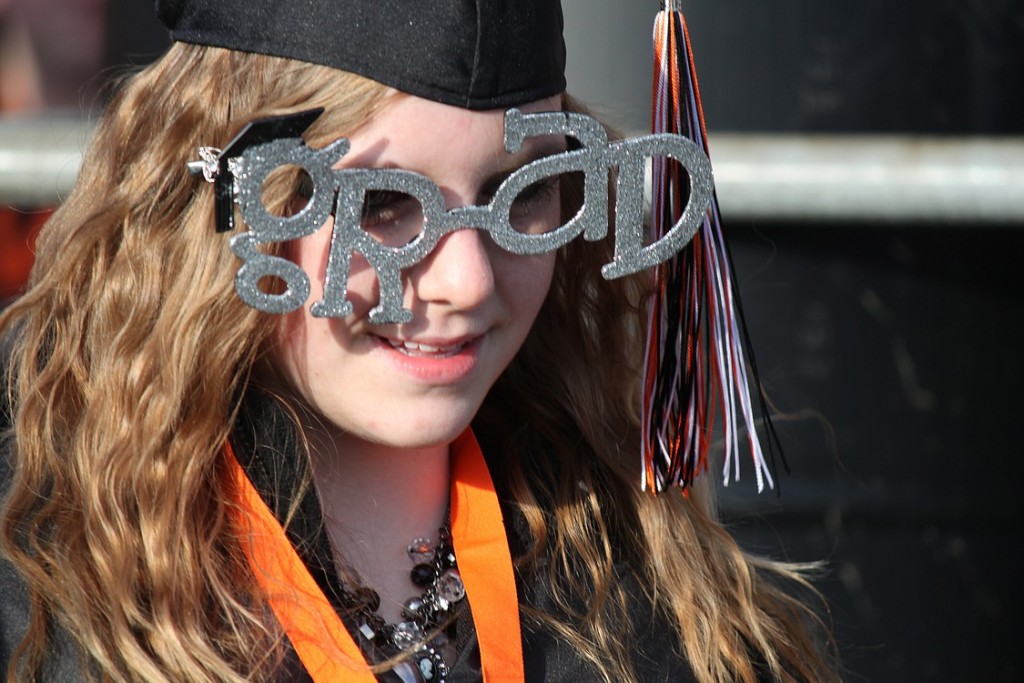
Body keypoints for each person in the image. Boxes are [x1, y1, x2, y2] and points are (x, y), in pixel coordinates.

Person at [0, 1, 839, 681]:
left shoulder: (647, 605)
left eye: (523, 192)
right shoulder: (37, 599)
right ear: (230, 201)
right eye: (381, 206)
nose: (468, 279)